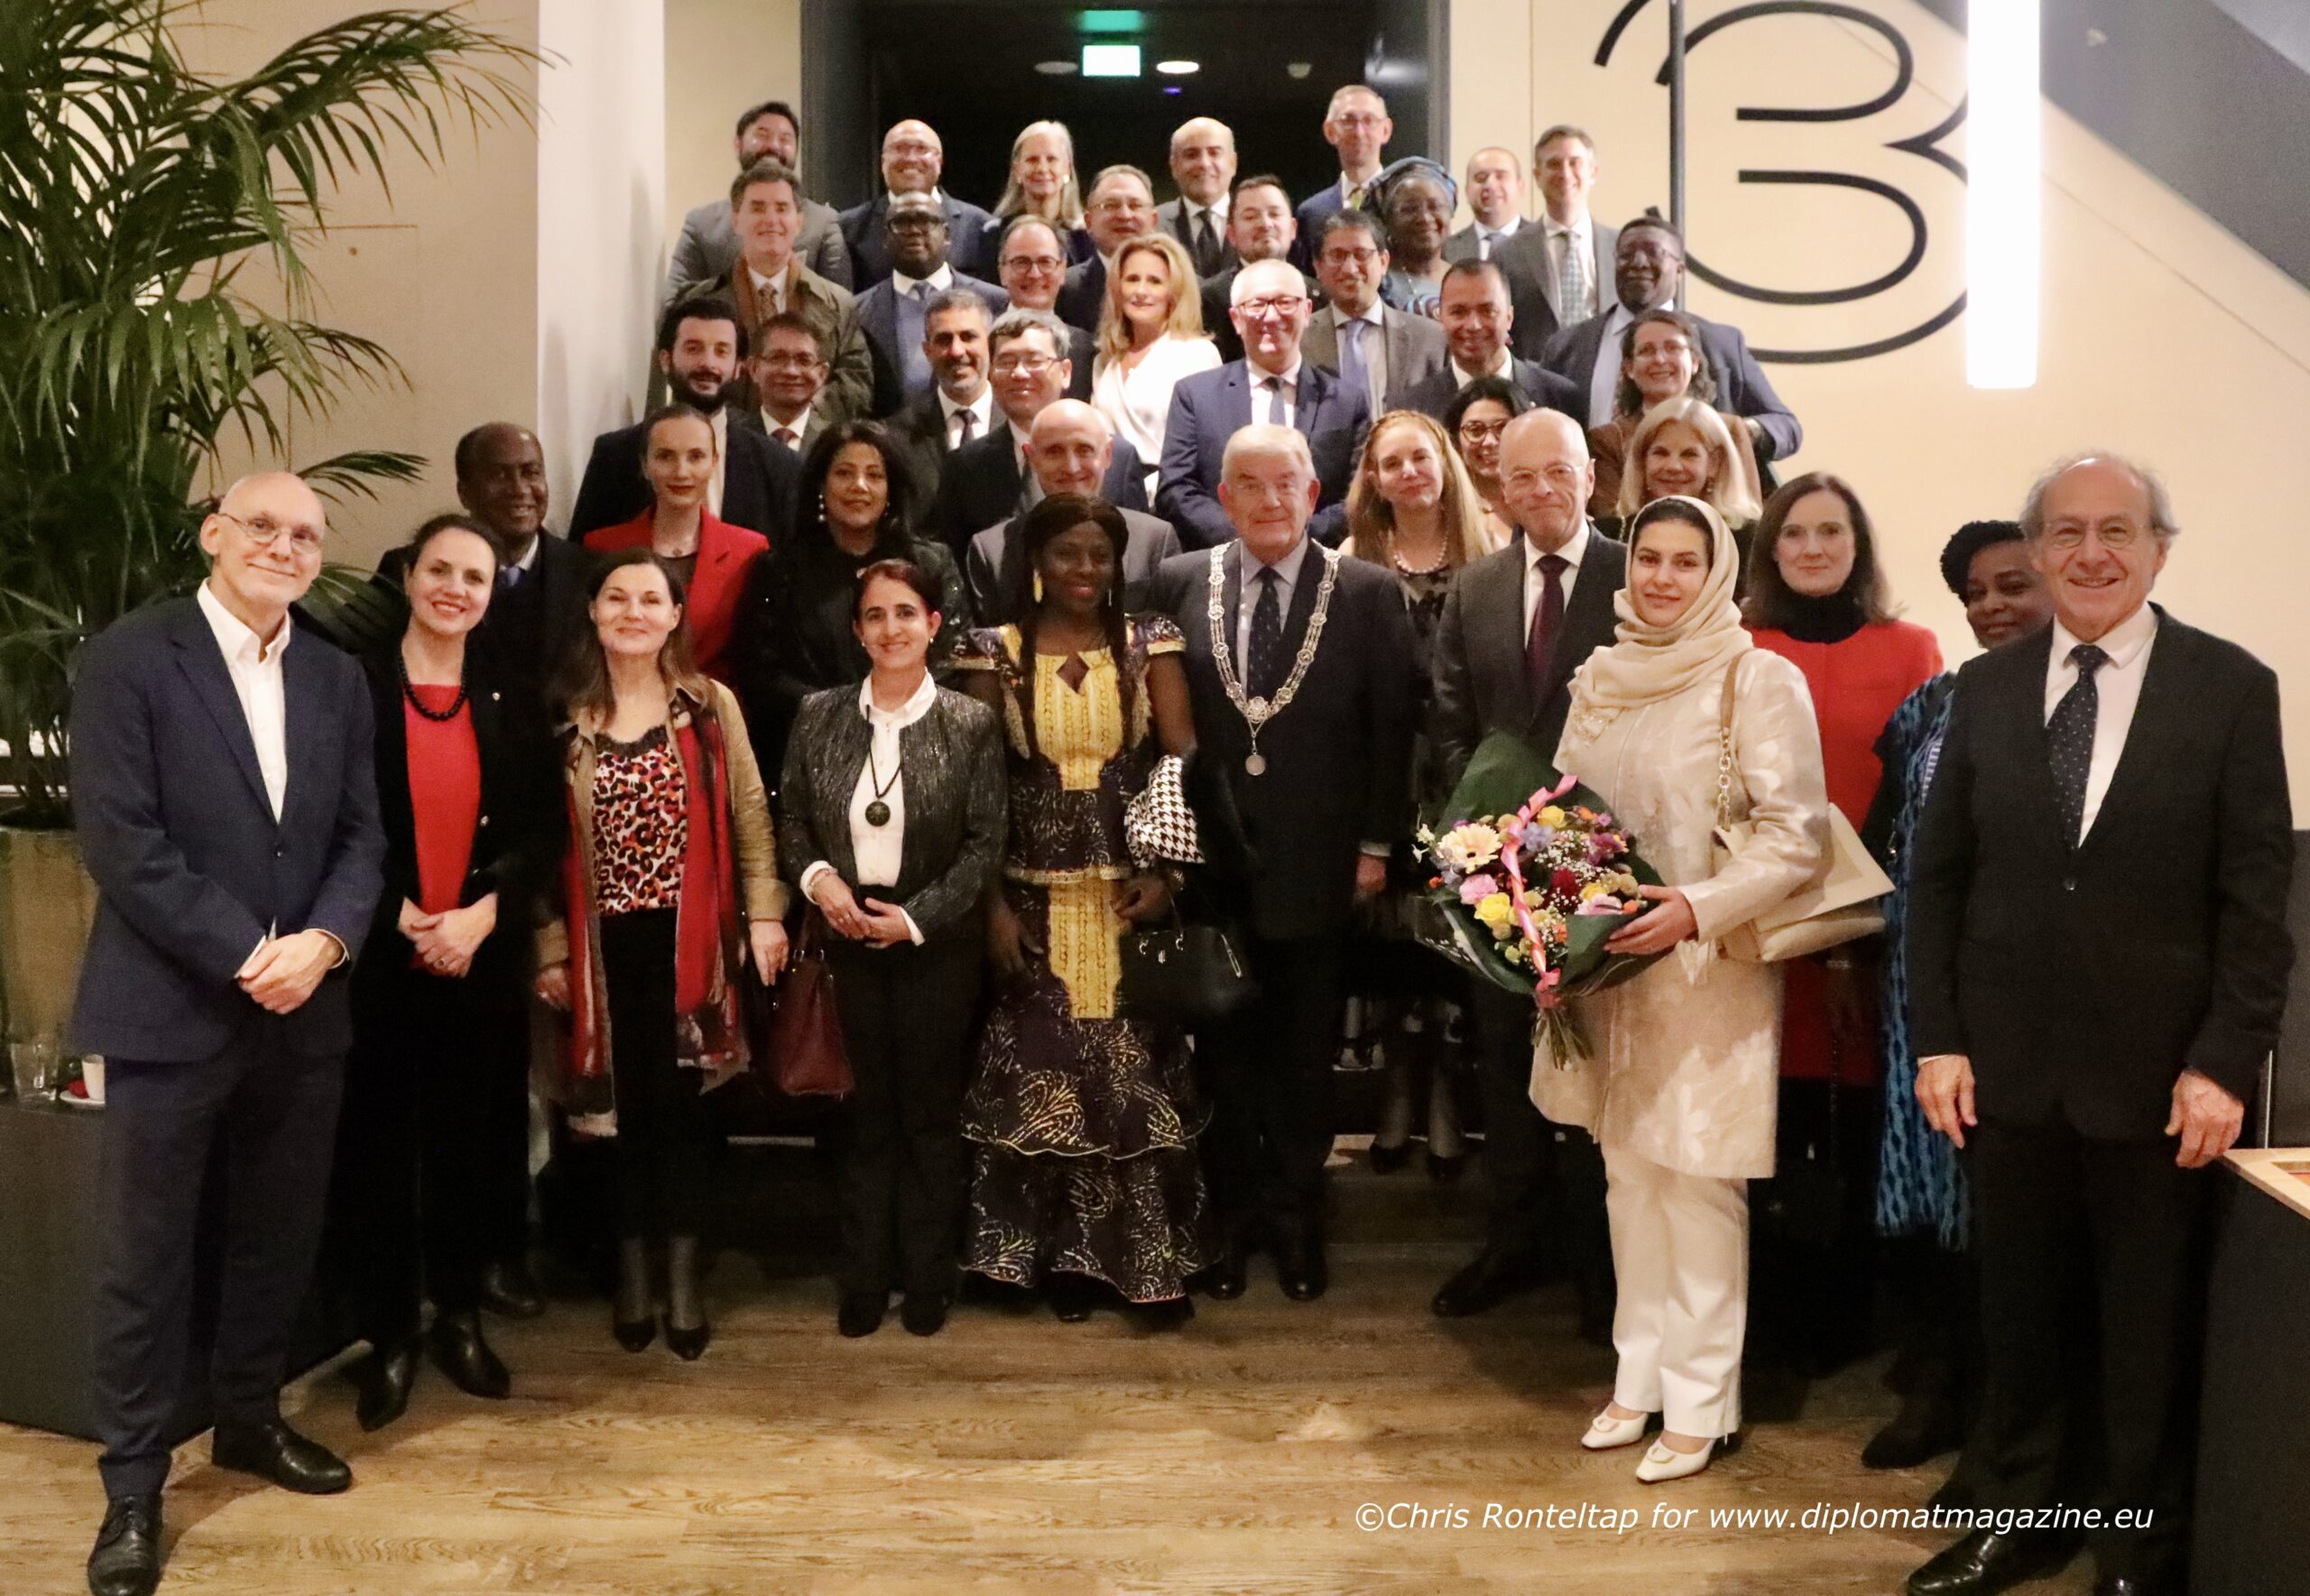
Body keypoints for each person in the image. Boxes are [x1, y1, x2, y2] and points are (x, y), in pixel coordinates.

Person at [1904, 455, 2292, 1596]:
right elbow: (1939, 881)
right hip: (2006, 1071)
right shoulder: (1984, 688)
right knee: (2018, 1316)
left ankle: (2135, 1546)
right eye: (2065, 531)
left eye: (2115, 530)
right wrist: (1940, 1037)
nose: (2089, 552)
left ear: (2158, 547)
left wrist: (2223, 1060)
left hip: (2161, 1080)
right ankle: (2021, 1519)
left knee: (2144, 1330)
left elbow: (2254, 900)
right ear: (2036, 550)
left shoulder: (2230, 687)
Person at [74, 473, 385, 1596]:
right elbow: (121, 838)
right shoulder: (129, 657)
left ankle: (250, 1419)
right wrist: (249, 952)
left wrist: (327, 944)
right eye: (263, 525)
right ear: (214, 533)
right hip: (170, 1010)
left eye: (306, 534)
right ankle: (132, 1486)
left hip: (305, 1012)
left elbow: (361, 837)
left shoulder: (337, 675)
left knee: (275, 1237)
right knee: (145, 1262)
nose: (285, 546)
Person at [1542, 494, 1830, 1482]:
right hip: (1607, 969)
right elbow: (1556, 819)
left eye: (1684, 561)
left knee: (1699, 1180)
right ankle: (1638, 1377)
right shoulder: (1600, 676)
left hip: (1708, 970)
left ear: (1718, 574)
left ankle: (1703, 1400)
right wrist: (1543, 940)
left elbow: (1796, 834)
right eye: (1649, 558)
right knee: (1627, 1174)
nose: (1662, 578)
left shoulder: (1757, 676)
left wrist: (1696, 908)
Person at [1145, 426, 1415, 1303]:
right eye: (1249, 485)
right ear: (1222, 498)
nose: (1268, 500)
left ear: (1313, 493)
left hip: (1322, 861)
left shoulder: (1367, 590)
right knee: (1223, 1055)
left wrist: (1375, 845)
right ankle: (1231, 1218)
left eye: (1284, 484)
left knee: (1304, 1055)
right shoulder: (1179, 580)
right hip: (1212, 866)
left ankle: (1298, 1216)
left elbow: (1391, 728)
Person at [328, 514, 560, 1432]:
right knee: (378, 1150)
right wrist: (396, 913)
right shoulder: (353, 687)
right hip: (378, 954)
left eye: (475, 576)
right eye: (440, 570)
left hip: (478, 953)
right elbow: (328, 820)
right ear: (408, 575)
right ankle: (389, 1331)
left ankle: (459, 1315)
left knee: (470, 1147)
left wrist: (483, 911)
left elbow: (543, 829)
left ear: (491, 593)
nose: (455, 588)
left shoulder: (513, 692)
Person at [954, 495, 1208, 1326]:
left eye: (1100, 555)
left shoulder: (1148, 641)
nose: (1085, 570)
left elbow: (1181, 761)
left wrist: (1169, 877)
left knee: (1126, 1076)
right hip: (1029, 899)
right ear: (1036, 560)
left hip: (1125, 899)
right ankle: (1033, 1260)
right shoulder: (994, 652)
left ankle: (1127, 1265)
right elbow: (975, 791)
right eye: (1067, 553)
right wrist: (991, 907)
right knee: (1041, 1074)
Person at [533, 550, 789, 1365]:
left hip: (693, 945)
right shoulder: (564, 715)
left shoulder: (710, 706)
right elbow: (539, 844)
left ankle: (682, 1277)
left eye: (651, 599)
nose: (634, 612)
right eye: (617, 597)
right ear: (594, 611)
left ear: (677, 615)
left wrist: (765, 913)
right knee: (619, 1121)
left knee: (685, 1119)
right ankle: (632, 1274)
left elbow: (750, 811)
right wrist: (548, 950)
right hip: (600, 952)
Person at [1857, 520, 2051, 1482]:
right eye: (1975, 593)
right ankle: (1935, 1383)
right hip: (1920, 987)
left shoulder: (2083, 703)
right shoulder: (1935, 702)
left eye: (2013, 585)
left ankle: (1997, 1414)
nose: (1992, 607)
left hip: (2024, 991)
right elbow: (1882, 832)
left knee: (2002, 1201)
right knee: (1933, 1190)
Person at [1426, 411, 1627, 1331]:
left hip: (1607, 867)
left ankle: (1599, 1260)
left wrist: (1575, 846)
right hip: (1497, 870)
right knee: (1505, 1061)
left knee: (1597, 1067)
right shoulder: (1474, 586)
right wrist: (1489, 837)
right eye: (1521, 477)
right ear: (1498, 488)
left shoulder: (1634, 573)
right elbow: (1450, 719)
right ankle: (1513, 1239)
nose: (1540, 490)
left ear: (1589, 476)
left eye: (1558, 471)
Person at [1739, 471, 1942, 1379]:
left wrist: (1865, 925)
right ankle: (1772, 1317)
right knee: (1771, 1124)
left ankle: (1855, 1311)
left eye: (1831, 531)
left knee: (1859, 1122)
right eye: (1795, 532)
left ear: (1858, 545)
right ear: (1770, 548)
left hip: (1872, 930)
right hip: (1762, 927)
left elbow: (1924, 790)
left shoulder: (1911, 647)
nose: (1813, 547)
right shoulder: (1740, 647)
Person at [779, 559, 1006, 1338]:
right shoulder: (819, 714)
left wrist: (911, 918)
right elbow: (792, 820)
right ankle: (865, 1278)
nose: (891, 628)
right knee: (864, 1118)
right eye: (875, 615)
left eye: (906, 613)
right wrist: (821, 885)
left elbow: (984, 844)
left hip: (935, 945)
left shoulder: (971, 723)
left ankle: (929, 1277)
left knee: (930, 1118)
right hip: (844, 939)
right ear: (857, 630)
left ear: (934, 624)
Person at [1340, 411, 1503, 1180]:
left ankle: (1444, 1095)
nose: (1409, 472)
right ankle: (1398, 1090)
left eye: (1420, 457)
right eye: (1392, 462)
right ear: (1373, 478)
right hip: (1386, 772)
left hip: (1463, 771)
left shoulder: (1489, 547)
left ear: (1444, 463)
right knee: (1394, 947)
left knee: (1453, 940)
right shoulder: (1355, 557)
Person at [731, 420, 968, 778]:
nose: (859, 486)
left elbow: (953, 657)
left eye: (874, 475)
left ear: (891, 488)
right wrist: (845, 716)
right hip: (811, 756)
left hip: (917, 754)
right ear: (821, 484)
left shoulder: (930, 564)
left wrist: (894, 715)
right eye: (844, 473)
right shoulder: (780, 570)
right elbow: (762, 673)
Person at [1538, 216, 1801, 468]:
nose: (1638, 263)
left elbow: (1785, 426)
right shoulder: (1567, 345)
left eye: (1654, 253)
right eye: (1626, 255)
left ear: (1679, 270)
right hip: (1595, 491)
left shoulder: (1722, 343)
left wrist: (1738, 432)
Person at [1157, 258, 1371, 550]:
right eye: (1257, 305)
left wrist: (1293, 538)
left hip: (1317, 559)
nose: (1271, 316)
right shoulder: (1195, 395)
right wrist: (1245, 539)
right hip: (1222, 559)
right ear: (1236, 319)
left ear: (1307, 311)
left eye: (1285, 303)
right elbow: (1175, 488)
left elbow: (1359, 493)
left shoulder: (1346, 401)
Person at [375, 424, 589, 705]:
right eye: (499, 475)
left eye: (531, 472)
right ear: (464, 492)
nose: (519, 489)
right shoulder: (406, 568)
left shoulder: (589, 573)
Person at [568, 296, 802, 543]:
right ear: (665, 360)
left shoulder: (779, 466)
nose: (708, 363)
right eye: (693, 348)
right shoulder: (615, 455)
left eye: (721, 351)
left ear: (738, 367)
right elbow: (584, 556)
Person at [580, 404, 771, 685]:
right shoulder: (602, 547)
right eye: (666, 456)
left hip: (713, 705)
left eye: (696, 457)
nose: (681, 472)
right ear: (645, 465)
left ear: (714, 462)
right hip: (622, 700)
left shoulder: (750, 551)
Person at [936, 308, 1149, 554]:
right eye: (1006, 362)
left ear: (1065, 372)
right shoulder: (965, 466)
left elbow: (1138, 550)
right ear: (990, 374)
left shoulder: (1119, 457)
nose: (1019, 373)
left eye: (1034, 360)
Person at [964, 400, 1180, 624]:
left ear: (1107, 454)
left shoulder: (1155, 540)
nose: (1071, 467)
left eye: (1084, 450)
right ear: (1031, 457)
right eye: (1054, 451)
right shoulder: (992, 550)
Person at [723, 159, 873, 423]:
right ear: (736, 220)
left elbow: (856, 383)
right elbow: (692, 383)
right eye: (758, 208)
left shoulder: (838, 304)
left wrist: (800, 418)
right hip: (730, 441)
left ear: (799, 222)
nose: (771, 220)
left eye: (782, 208)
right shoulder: (704, 303)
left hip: (815, 441)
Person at [1587, 307, 1761, 521]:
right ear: (1629, 368)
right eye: (1646, 351)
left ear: (1695, 362)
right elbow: (1612, 521)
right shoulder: (1608, 438)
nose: (1660, 359)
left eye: (1673, 348)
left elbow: (1748, 513)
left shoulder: (1730, 430)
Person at [667, 98, 850, 301]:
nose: (773, 146)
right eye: (762, 135)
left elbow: (840, 304)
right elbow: (674, 304)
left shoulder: (823, 223)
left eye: (785, 139)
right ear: (738, 144)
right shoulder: (702, 225)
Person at [1088, 232, 1220, 500]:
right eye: (1132, 279)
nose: (1140, 291)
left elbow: (1208, 446)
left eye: (1155, 281)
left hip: (1170, 499)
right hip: (1109, 498)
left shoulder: (1197, 354)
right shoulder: (1105, 360)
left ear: (1175, 291)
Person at [853, 193, 1009, 418]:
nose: (914, 231)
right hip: (891, 433)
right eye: (901, 223)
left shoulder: (996, 302)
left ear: (947, 235)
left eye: (926, 221)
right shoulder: (858, 311)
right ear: (885, 238)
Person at [1302, 208, 1446, 415]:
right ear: (1317, 266)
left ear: (1384, 262)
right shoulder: (1300, 338)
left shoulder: (1431, 339)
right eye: (1337, 256)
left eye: (1361, 255)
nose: (1350, 269)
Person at [1398, 258, 1581, 419]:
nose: (1473, 325)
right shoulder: (1412, 408)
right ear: (1441, 318)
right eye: (1458, 312)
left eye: (1487, 311)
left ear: (1509, 317)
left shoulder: (1560, 398)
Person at [1493, 125, 1615, 356]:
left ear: (1593, 173)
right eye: (1554, 164)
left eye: (1574, 163)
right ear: (1537, 176)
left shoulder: (1620, 248)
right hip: (1536, 374)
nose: (1565, 174)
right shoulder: (1507, 253)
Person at [837, 118, 995, 288]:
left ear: (939, 161)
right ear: (883, 162)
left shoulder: (981, 226)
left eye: (922, 149)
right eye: (899, 149)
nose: (911, 158)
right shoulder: (848, 227)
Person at [882, 287, 998, 512]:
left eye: (968, 337)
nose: (957, 351)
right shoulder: (896, 436)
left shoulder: (1021, 423)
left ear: (991, 343)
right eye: (944, 340)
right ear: (927, 351)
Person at [1613, 398, 1762, 553]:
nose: (1673, 466)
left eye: (1689, 454)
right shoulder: (1613, 533)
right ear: (1642, 460)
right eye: (1660, 453)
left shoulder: (1749, 540)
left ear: (1714, 463)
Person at [1200, 176, 1317, 364]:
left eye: (1275, 214)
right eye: (1251, 217)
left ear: (1293, 228)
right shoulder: (1208, 299)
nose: (1265, 224)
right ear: (1231, 234)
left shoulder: (1319, 295)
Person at [994, 216, 1098, 398]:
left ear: (1063, 270)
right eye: (1022, 262)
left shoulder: (1087, 351)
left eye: (1045, 262)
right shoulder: (981, 341)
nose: (1035, 274)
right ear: (1002, 271)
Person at [1293, 85, 1392, 268]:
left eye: (1369, 120)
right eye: (1348, 120)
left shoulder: (1404, 205)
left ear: (1385, 130)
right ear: (1330, 131)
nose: (1359, 132)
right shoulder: (1311, 213)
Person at [1058, 163, 1162, 332]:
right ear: (1089, 221)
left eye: (1135, 205)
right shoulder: (1065, 289)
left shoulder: (1183, 287)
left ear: (1154, 220)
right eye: (1111, 205)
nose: (1125, 215)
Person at [1442, 375, 1532, 549]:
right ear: (1456, 442)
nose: (1489, 441)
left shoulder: (1543, 497)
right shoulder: (1445, 510)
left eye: (1502, 428)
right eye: (1475, 430)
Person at [991, 119, 1090, 264]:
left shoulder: (1087, 238)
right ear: (1017, 171)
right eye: (1032, 160)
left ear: (1067, 169)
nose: (1042, 168)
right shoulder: (994, 235)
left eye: (1051, 159)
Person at [1372, 159, 1455, 318]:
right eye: (1409, 209)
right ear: (1388, 221)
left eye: (1435, 206)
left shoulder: (1465, 278)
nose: (1424, 218)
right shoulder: (1377, 283)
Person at [1158, 116, 1238, 278]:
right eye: (1191, 155)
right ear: (1174, 166)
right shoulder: (1154, 224)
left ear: (1232, 163)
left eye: (1214, 153)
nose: (1204, 164)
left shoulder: (1256, 221)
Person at [751, 311, 836, 455]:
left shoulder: (836, 444)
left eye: (804, 360)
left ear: (822, 374)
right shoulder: (729, 439)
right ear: (754, 368)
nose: (791, 371)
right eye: (777, 358)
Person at [1446, 146, 1529, 263]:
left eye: (1500, 176)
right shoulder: (1446, 250)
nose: (1490, 184)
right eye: (1480, 178)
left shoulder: (1543, 243)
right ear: (1467, 191)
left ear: (1520, 188)